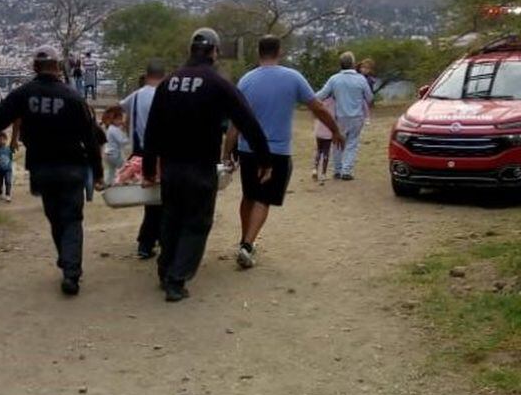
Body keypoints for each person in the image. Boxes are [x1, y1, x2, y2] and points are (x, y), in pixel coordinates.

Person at [0, 46, 103, 295]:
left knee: (55, 218)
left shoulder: (24, 94)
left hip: (42, 169)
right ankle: (71, 271)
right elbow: (91, 138)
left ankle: (68, 263)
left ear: (35, 67)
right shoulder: (74, 98)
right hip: (72, 168)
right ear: (58, 68)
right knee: (72, 219)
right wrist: (97, 173)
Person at [142, 27, 271, 302]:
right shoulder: (218, 83)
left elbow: (152, 129)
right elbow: (247, 121)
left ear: (191, 50)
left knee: (171, 218)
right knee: (197, 222)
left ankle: (165, 271)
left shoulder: (169, 82)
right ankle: (176, 280)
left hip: (172, 168)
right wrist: (264, 157)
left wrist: (149, 168)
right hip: (200, 166)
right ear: (214, 51)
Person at [224, 35, 344, 268]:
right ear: (279, 51)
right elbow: (317, 107)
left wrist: (226, 151)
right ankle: (248, 245)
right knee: (263, 199)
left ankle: (244, 239)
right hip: (276, 151)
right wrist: (335, 130)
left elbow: (235, 121)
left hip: (248, 149)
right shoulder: (293, 77)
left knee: (249, 195)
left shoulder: (246, 80)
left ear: (259, 53)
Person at [122, 59, 167, 259]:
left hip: (139, 153)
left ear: (147, 75)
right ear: (164, 76)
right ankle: (151, 240)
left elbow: (120, 110)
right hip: (162, 154)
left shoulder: (136, 96)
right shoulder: (166, 95)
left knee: (152, 200)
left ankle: (148, 241)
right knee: (162, 200)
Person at [315, 52, 373, 180]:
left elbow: (321, 95)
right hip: (357, 117)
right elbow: (369, 97)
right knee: (352, 143)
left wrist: (308, 98)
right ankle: (347, 171)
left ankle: (337, 170)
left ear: (340, 64)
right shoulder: (361, 79)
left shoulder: (334, 79)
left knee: (337, 143)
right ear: (353, 64)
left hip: (339, 117)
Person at [101, 105, 129, 188]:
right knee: (123, 167)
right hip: (114, 154)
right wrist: (129, 137)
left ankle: (107, 184)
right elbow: (122, 141)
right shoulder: (114, 129)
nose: (121, 121)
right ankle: (119, 182)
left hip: (108, 153)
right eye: (119, 119)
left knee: (110, 170)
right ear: (113, 120)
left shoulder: (110, 128)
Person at [0, 130, 14, 202]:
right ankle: (0, 193)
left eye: (3, 139)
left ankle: (8, 195)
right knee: (0, 182)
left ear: (6, 140)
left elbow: (11, 157)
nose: (2, 141)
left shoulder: (9, 149)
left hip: (8, 169)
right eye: (0, 139)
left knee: (8, 181)